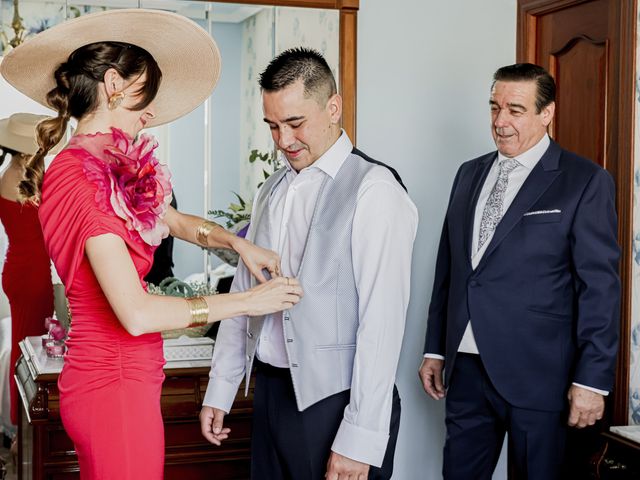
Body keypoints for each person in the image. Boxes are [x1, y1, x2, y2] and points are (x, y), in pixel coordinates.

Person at [0, 9, 302, 479]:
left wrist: (238, 244)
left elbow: (176, 220)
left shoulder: (103, 165)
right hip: (112, 384)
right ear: (115, 83)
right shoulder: (83, 176)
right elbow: (137, 313)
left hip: (118, 379)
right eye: (148, 95)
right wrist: (245, 302)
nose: (153, 111)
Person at [200, 47, 418, 480]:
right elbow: (245, 295)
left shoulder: (376, 190)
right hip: (270, 394)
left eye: (295, 123)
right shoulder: (270, 190)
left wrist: (360, 435)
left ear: (333, 107)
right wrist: (221, 388)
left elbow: (383, 322)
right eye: (273, 126)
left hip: (336, 403)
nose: (283, 141)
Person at [419, 63, 620, 479]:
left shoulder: (584, 181)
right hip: (467, 369)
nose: (500, 121)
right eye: (494, 107)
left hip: (541, 375)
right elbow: (450, 268)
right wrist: (436, 347)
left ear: (546, 113)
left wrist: (592, 380)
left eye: (515, 109)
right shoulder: (469, 173)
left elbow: (599, 289)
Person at [0, 113, 62, 431]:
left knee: (27, 345)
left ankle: (20, 427)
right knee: (30, 350)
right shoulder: (25, 177)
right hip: (30, 274)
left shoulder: (11, 173)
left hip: (21, 270)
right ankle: (21, 427)